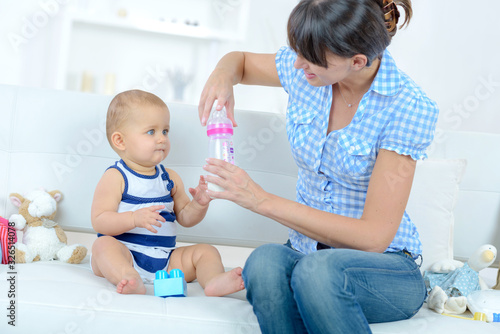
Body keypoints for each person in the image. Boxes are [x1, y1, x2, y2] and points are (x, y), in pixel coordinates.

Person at [198, 0, 438, 333]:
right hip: (305, 253)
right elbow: (238, 61)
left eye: (311, 59)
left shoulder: (408, 107)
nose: (297, 64)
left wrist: (260, 199)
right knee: (264, 263)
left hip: (384, 269)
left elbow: (373, 238)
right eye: (297, 51)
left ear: (357, 61)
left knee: (318, 272)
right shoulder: (306, 73)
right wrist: (222, 76)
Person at [90, 89, 244, 296]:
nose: (162, 138)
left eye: (165, 131)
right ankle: (129, 277)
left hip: (167, 260)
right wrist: (134, 218)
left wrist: (199, 203)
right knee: (102, 246)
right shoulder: (116, 176)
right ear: (120, 141)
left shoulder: (169, 178)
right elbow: (100, 220)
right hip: (125, 253)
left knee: (206, 251)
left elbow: (186, 218)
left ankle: (214, 281)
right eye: (151, 132)